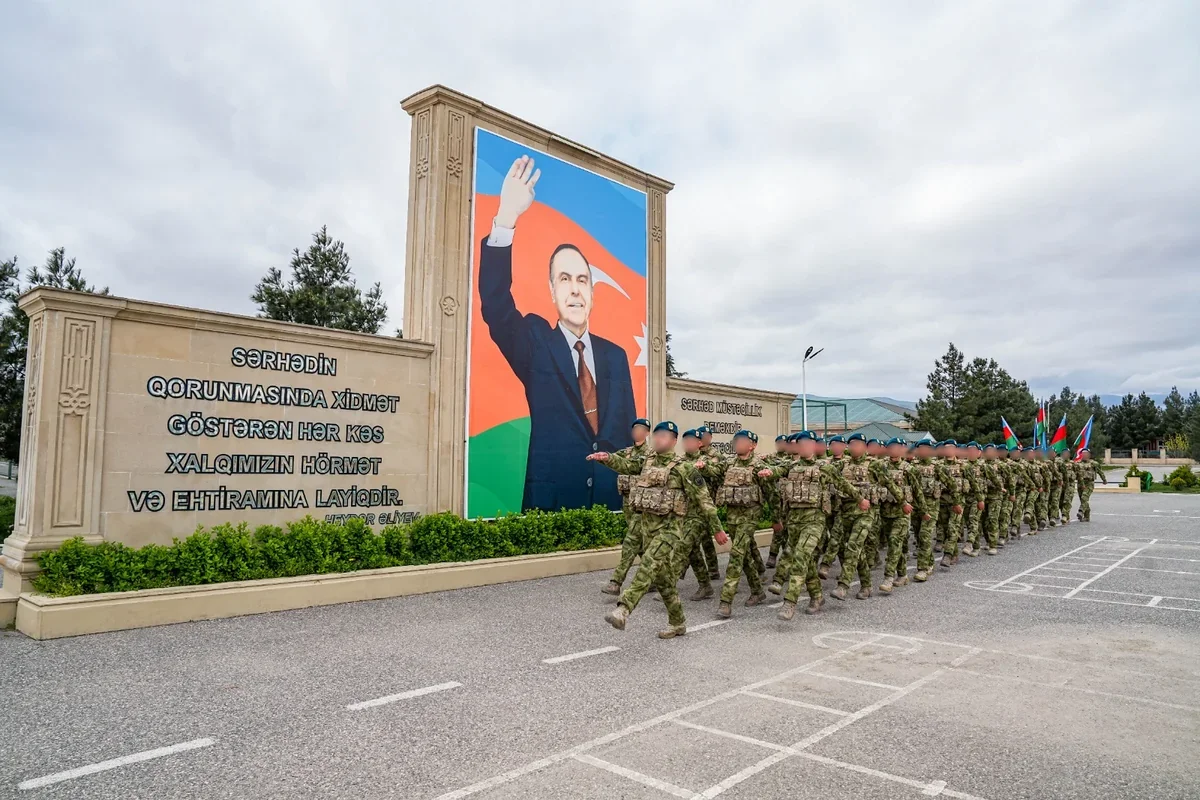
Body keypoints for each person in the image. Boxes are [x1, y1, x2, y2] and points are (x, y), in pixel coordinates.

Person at [479, 155, 637, 513]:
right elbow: (496, 306)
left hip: (611, 503)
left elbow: (629, 437)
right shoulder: (535, 344)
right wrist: (506, 217)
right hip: (552, 505)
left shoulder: (616, 356)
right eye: (564, 280)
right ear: (552, 291)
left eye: (582, 280)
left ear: (593, 292)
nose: (575, 289)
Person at [590, 421, 725, 639]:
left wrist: (717, 529)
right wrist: (608, 459)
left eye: (664, 436)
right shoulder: (647, 461)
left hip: (670, 530)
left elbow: (704, 500)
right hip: (647, 528)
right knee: (663, 579)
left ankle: (623, 609)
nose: (659, 439)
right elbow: (627, 466)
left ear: (673, 441)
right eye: (657, 435)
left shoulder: (684, 468)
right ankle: (678, 622)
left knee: (648, 563)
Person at [763, 431, 857, 619]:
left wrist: (861, 499)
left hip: (815, 520)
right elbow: (777, 471)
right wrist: (768, 472)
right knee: (806, 563)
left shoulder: (825, 468)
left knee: (800, 557)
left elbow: (844, 485)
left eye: (808, 443)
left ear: (814, 446)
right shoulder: (791, 466)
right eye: (801, 444)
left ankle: (790, 603)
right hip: (795, 521)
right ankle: (817, 596)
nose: (804, 447)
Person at [709, 430, 774, 617]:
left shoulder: (759, 466)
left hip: (750, 516)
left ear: (752, 445)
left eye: (742, 441)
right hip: (732, 516)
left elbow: (771, 493)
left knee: (736, 556)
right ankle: (757, 591)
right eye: (736, 440)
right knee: (743, 555)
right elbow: (714, 471)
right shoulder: (729, 463)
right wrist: (702, 467)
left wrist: (777, 518)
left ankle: (726, 602)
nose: (737, 443)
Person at [830, 433, 898, 601]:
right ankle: (866, 585)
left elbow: (890, 484)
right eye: (851, 444)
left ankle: (843, 585)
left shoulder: (875, 465)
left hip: (867, 513)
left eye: (857, 444)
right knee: (855, 551)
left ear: (865, 447)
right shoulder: (842, 465)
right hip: (847, 512)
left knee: (854, 545)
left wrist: (903, 502)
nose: (853, 447)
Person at [602, 419, 655, 596]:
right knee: (639, 542)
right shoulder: (628, 451)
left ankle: (616, 582)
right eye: (635, 428)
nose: (637, 431)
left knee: (631, 540)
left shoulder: (650, 454)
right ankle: (654, 578)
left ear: (647, 433)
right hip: (627, 502)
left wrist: (610, 459)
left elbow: (628, 465)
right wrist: (604, 458)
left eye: (641, 429)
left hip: (643, 505)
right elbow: (616, 460)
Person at [676, 429, 724, 600]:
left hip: (700, 513)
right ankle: (705, 585)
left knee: (683, 546)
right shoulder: (679, 461)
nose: (688, 443)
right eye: (685, 440)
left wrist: (704, 468)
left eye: (692, 440)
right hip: (682, 512)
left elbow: (715, 471)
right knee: (693, 551)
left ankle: (668, 584)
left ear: (699, 443)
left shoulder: (705, 459)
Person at [877, 437, 925, 593]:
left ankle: (888, 577)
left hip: (902, 513)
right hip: (885, 511)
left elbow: (917, 491)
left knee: (894, 541)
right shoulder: (881, 467)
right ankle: (903, 574)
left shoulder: (909, 469)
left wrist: (924, 511)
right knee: (898, 545)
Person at [910, 440, 945, 582]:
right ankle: (929, 562)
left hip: (931, 507)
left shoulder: (937, 467)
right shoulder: (912, 467)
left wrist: (956, 502)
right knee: (919, 536)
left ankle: (922, 569)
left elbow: (950, 484)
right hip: (915, 507)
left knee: (925, 536)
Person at [818, 435, 849, 579]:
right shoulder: (823, 463)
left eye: (839, 444)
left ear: (844, 446)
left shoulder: (849, 463)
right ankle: (845, 569)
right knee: (836, 540)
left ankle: (826, 565)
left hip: (842, 506)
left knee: (836, 536)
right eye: (833, 444)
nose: (835, 447)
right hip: (826, 505)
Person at [936, 441, 968, 568]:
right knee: (944, 529)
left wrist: (980, 499)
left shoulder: (963, 466)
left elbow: (973, 483)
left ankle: (948, 555)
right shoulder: (938, 466)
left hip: (958, 502)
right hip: (942, 501)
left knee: (953, 528)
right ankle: (954, 553)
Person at [978, 444, 1006, 555]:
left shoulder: (1001, 465)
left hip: (996, 496)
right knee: (984, 521)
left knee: (993, 519)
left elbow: (1009, 479)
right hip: (984, 496)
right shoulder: (981, 465)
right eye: (987, 451)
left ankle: (993, 545)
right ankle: (988, 541)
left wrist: (1008, 492)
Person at [960, 442, 987, 557]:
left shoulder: (984, 466)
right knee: (969, 521)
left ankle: (969, 543)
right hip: (966, 497)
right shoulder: (962, 466)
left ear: (979, 453)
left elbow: (995, 479)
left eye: (973, 451)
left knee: (973, 519)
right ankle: (976, 546)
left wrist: (1002, 489)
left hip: (978, 496)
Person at [1073, 449, 1106, 521]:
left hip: (1089, 483)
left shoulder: (1094, 463)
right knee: (1083, 499)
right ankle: (1086, 516)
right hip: (1080, 483)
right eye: (1083, 454)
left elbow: (1100, 472)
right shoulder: (1077, 464)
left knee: (1084, 497)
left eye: (1086, 454)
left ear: (1089, 455)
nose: (1085, 455)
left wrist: (1104, 480)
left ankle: (1081, 511)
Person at [1060, 450, 1077, 524]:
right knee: (1060, 501)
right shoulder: (1059, 463)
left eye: (1067, 454)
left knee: (1067, 500)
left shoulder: (1073, 464)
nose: (1065, 455)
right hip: (1061, 484)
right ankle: (1066, 515)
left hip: (1070, 484)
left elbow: (1078, 473)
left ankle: (1064, 515)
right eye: (1064, 454)